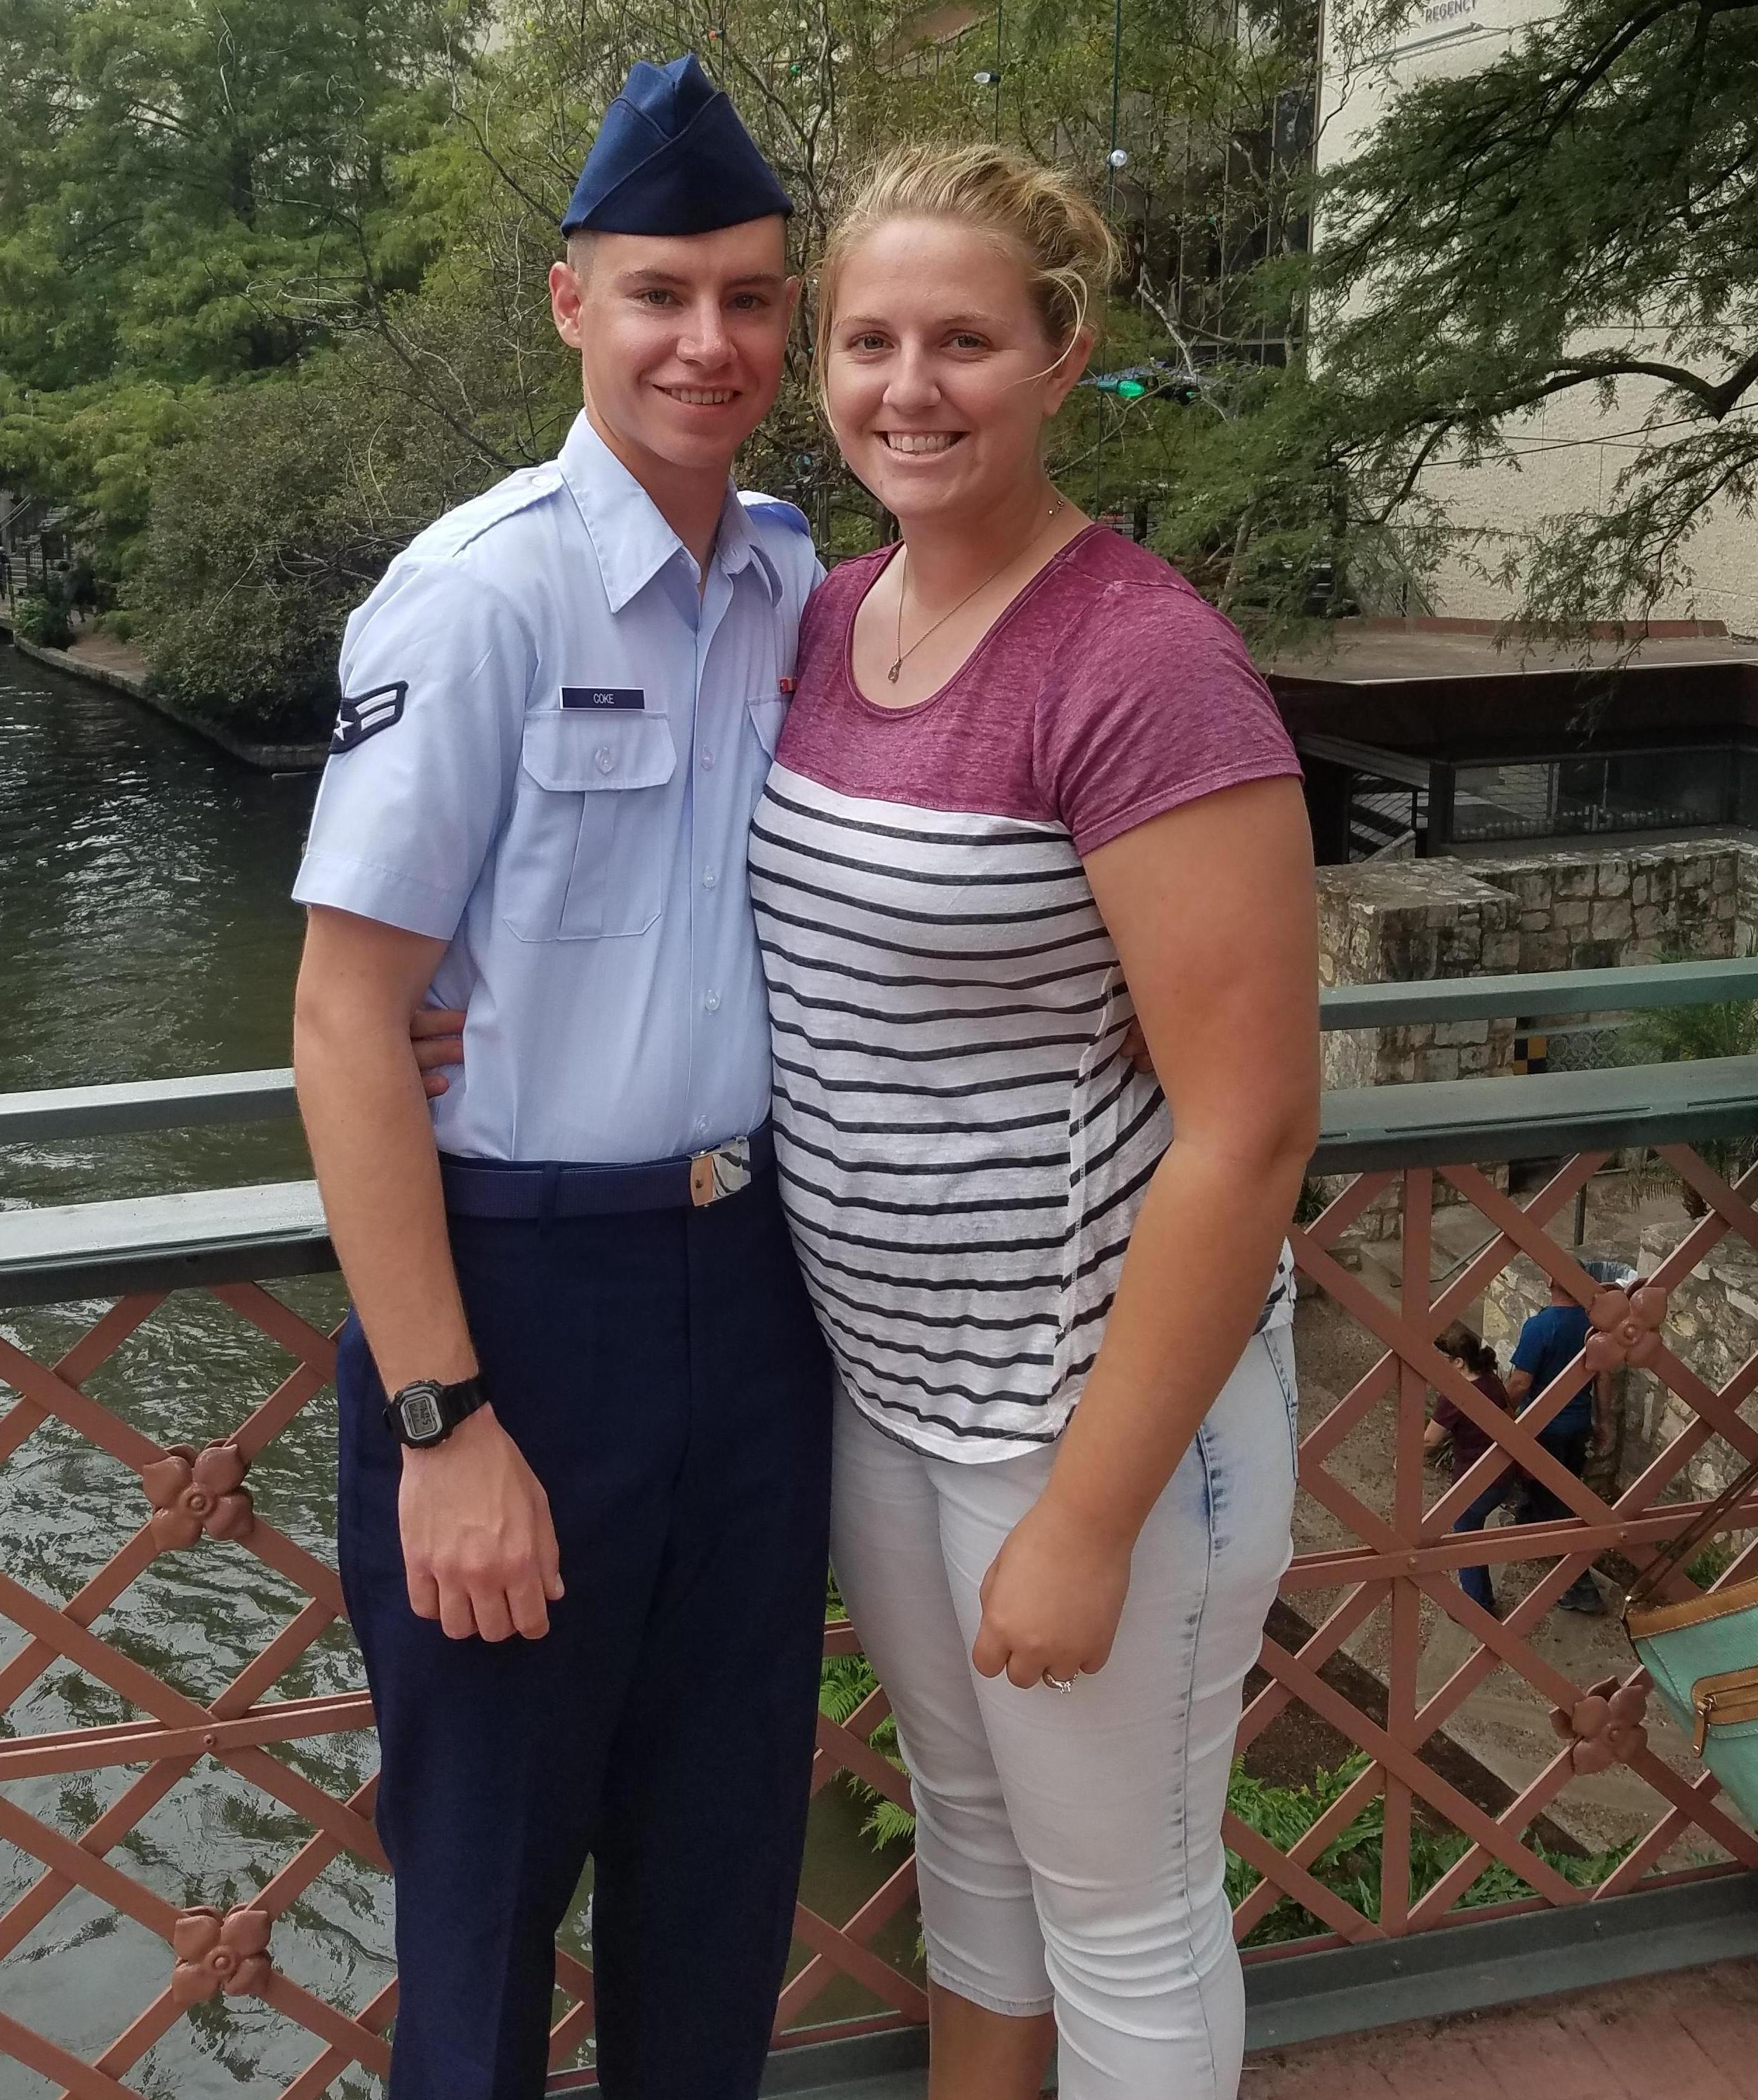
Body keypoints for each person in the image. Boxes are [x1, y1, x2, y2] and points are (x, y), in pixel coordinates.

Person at [747, 143, 1317, 2098]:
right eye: (871, 338)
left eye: (966, 340)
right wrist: (449, 1017)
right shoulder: (822, 623)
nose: (911, 386)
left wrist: (1083, 1517)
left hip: (1097, 1434)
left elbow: (1248, 1128)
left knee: (1129, 1915)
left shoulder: (1142, 666)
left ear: (1061, 357)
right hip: (891, 1389)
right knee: (972, 1850)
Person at [289, 57, 833, 2100]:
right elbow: (346, 1014)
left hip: (753, 1304)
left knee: (715, 1903)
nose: (709, 340)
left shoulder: (792, 582)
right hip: (520, 1311)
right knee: (483, 1921)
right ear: (566, 302)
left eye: (751, 298)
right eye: (661, 292)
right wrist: (442, 1420)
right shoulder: (479, 590)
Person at [1506, 1276, 1612, 1613]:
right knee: (1560, 1490)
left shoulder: (1540, 1326)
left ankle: (1582, 1588)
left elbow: (1521, 1381)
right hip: (1576, 1426)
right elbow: (1603, 1377)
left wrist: (1501, 1414)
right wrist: (1602, 1421)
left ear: (1551, 1282)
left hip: (1543, 1429)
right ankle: (1527, 1527)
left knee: (1555, 1506)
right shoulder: (1593, 1327)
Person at [1427, 1320, 1520, 1613]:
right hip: (1502, 1473)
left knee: (1465, 1537)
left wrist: (1403, 1456)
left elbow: (1430, 1440)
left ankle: (1476, 1605)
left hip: (1474, 1479)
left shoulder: (1455, 1396)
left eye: (1444, 1361)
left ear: (1459, 1362)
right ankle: (1482, 1598)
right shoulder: (1490, 1380)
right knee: (1473, 1535)